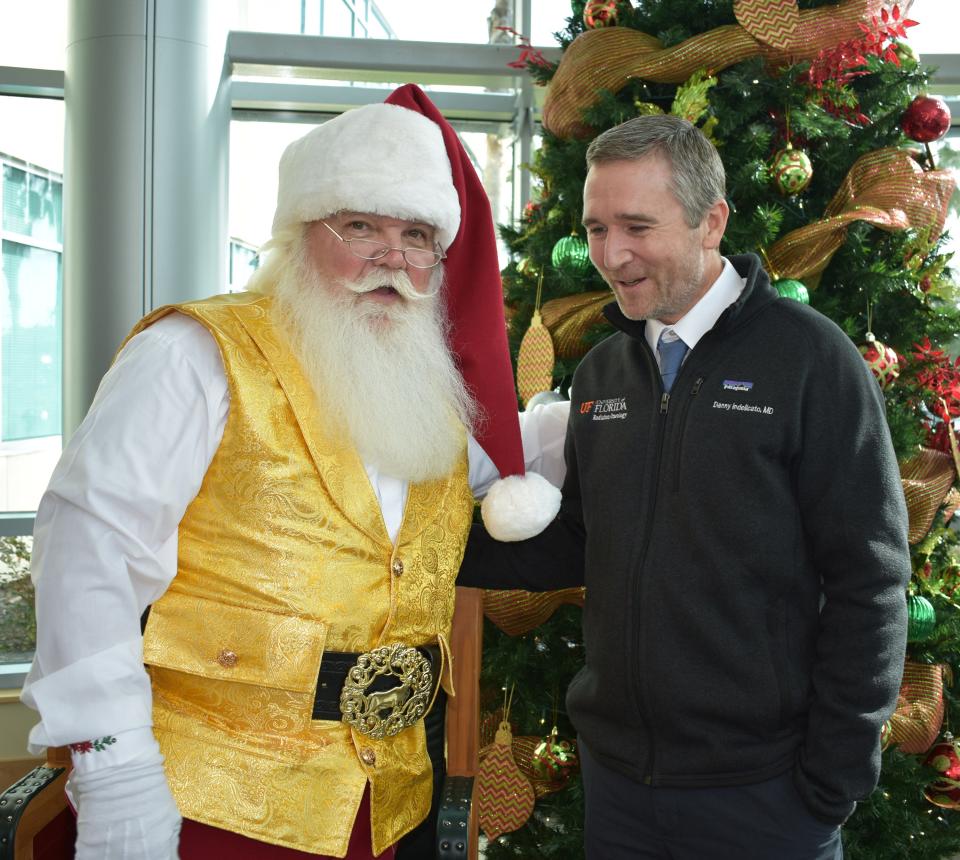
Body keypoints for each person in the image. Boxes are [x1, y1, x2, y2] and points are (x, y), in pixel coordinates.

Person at [20, 84, 565, 860]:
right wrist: (115, 777)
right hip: (208, 806)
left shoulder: (432, 392)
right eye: (360, 227)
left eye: (417, 236)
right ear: (299, 231)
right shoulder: (194, 354)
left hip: (392, 811)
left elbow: (526, 451)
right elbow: (87, 555)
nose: (392, 259)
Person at [459, 113, 911, 859]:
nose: (612, 254)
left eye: (637, 226)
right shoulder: (605, 369)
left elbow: (871, 580)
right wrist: (426, 544)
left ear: (712, 222)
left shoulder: (811, 360)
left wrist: (831, 784)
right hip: (620, 791)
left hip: (767, 798)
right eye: (597, 228)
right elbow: (586, 538)